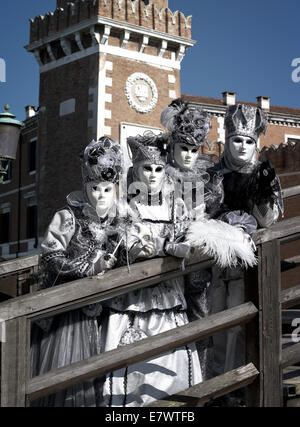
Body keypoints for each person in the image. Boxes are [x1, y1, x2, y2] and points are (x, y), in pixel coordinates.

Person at [100, 132, 202, 407]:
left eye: (159, 169)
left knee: (171, 365)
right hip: (132, 299)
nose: (153, 175)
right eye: (147, 168)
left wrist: (183, 244)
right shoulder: (123, 207)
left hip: (169, 296)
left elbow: (188, 236)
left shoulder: (177, 206)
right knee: (134, 372)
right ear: (136, 169)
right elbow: (129, 246)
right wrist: (166, 246)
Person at [30, 137, 124, 407]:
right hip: (70, 313)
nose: (101, 195)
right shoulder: (68, 217)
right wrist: (89, 267)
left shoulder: (119, 221)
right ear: (86, 186)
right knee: (70, 382)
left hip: (106, 307)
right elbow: (51, 257)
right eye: (95, 188)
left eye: (107, 189)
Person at [209, 104, 283, 402]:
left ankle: (237, 390)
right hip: (213, 266)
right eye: (237, 140)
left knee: (240, 328)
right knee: (214, 325)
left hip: (248, 268)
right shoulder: (213, 175)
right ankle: (213, 389)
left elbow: (268, 220)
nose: (242, 146)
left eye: (249, 141)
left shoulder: (265, 174)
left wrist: (262, 194)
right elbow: (201, 212)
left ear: (257, 143)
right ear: (226, 140)